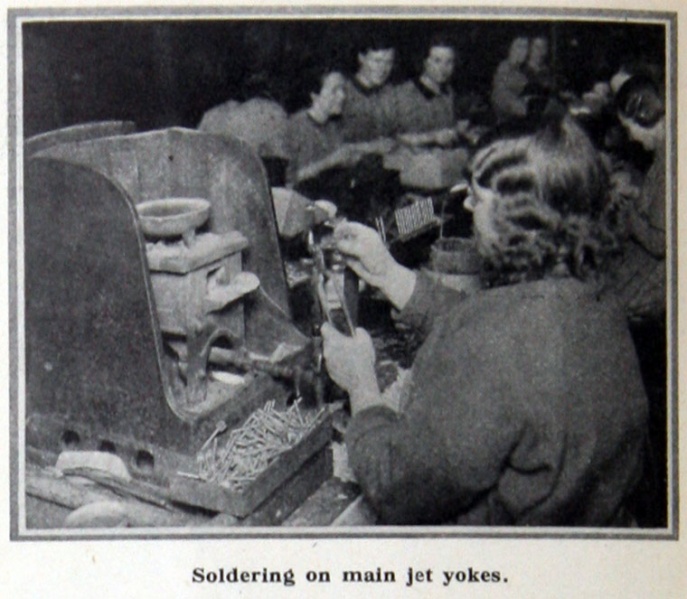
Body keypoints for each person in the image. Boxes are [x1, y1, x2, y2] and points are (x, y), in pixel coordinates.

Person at [321, 115, 648, 526]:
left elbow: (395, 486)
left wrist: (361, 385)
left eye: (477, 196)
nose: (467, 205)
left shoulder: (495, 340)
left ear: (520, 217)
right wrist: (388, 274)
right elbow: (503, 337)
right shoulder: (596, 296)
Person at [391, 34, 467, 147]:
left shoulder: (448, 92)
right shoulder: (405, 93)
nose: (443, 68)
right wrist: (433, 137)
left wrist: (457, 131)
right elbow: (394, 137)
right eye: (437, 61)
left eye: (449, 62)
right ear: (424, 62)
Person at [340, 35, 398, 146]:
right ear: (361, 58)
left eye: (388, 62)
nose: (383, 69)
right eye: (377, 61)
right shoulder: (342, 92)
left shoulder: (390, 92)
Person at [490, 36, 530, 125]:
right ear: (510, 48)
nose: (524, 51)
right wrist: (518, 105)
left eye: (526, 47)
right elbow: (500, 94)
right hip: (507, 123)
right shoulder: (504, 69)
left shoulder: (523, 72)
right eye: (519, 47)